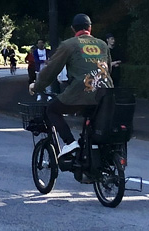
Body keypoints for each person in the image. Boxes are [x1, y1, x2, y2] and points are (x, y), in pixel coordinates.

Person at [29, 13, 113, 157]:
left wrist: (36, 86)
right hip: (106, 94)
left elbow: (51, 70)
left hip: (82, 92)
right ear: (90, 28)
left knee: (52, 110)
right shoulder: (102, 44)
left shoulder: (69, 45)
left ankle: (70, 143)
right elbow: (108, 69)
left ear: (73, 29)